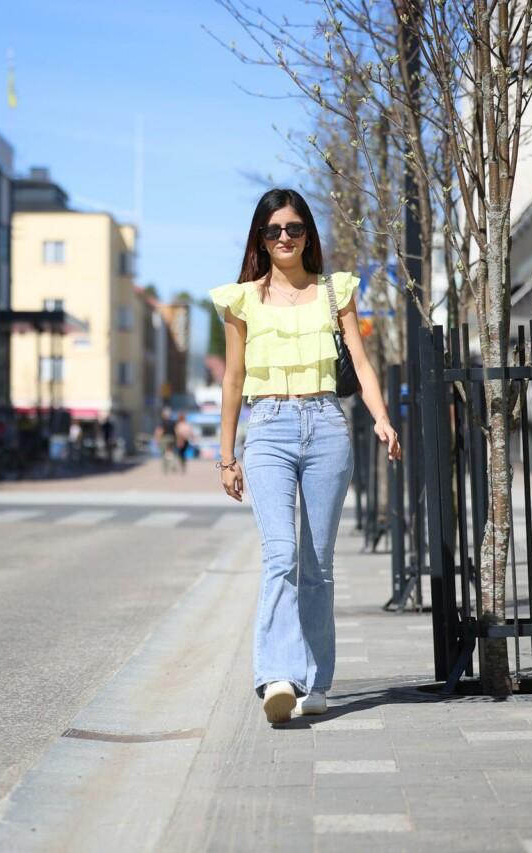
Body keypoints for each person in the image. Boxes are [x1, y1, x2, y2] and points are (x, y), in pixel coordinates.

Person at [210, 188, 400, 724]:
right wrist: (227, 457)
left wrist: (382, 418)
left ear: (308, 234)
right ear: (261, 239)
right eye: (273, 231)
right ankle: (277, 677)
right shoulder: (240, 299)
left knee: (317, 565)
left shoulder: (335, 290)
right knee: (279, 557)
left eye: (293, 229)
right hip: (267, 428)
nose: (285, 238)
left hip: (326, 427)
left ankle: (317, 682)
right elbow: (233, 379)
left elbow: (360, 365)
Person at [154, 407, 177, 474]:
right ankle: (173, 464)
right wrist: (177, 439)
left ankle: (165, 469)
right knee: (172, 453)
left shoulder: (162, 422)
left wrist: (157, 439)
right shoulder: (173, 422)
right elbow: (176, 431)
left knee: (163, 453)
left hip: (164, 438)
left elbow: (159, 431)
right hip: (172, 438)